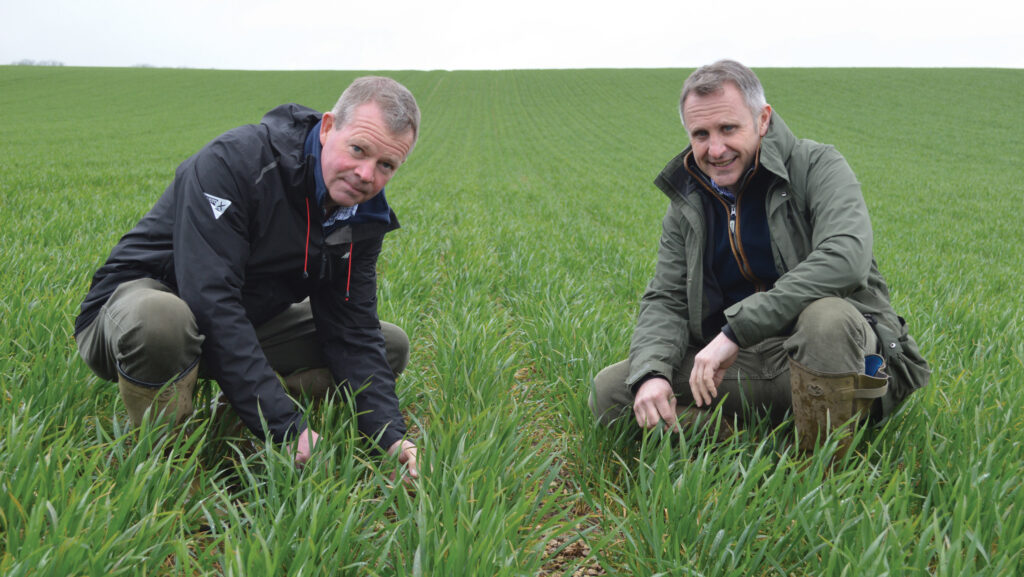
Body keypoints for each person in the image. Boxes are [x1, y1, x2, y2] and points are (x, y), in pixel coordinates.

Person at [75, 76, 421, 477]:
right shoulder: (235, 163)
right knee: (162, 318)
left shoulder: (363, 215)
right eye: (358, 150)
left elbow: (352, 326)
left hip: (240, 319)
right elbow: (210, 300)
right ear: (327, 128)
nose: (366, 174)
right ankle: (166, 467)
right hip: (132, 319)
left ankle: (234, 423)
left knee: (389, 344)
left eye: (386, 165)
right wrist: (283, 426)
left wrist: (391, 435)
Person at [590, 60, 930, 455]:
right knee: (613, 392)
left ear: (763, 119)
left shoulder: (817, 166)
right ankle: (754, 453)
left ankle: (820, 470)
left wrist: (735, 330)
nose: (715, 149)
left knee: (827, 318)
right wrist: (651, 373)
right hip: (740, 369)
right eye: (701, 134)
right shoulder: (688, 204)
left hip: (834, 359)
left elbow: (845, 257)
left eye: (728, 129)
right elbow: (666, 298)